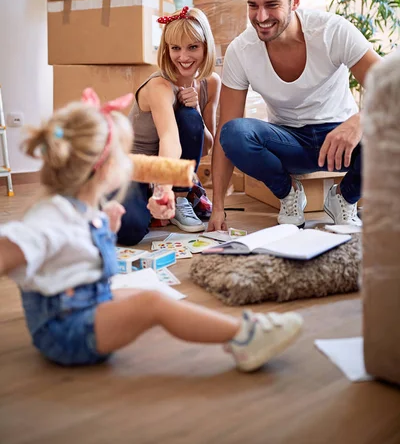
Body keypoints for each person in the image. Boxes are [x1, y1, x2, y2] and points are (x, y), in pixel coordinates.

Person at [0, 89, 303, 371]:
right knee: (152, 304)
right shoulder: (50, 219)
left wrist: (106, 224)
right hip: (67, 332)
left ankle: (232, 326)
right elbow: (17, 247)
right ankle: (244, 336)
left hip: (87, 304)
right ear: (104, 170)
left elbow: (73, 248)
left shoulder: (81, 207)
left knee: (144, 291)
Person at [208, 0, 381, 232]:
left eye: (272, 5)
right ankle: (289, 193)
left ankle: (344, 198)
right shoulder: (241, 50)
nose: (261, 17)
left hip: (340, 141)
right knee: (233, 133)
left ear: (295, 1)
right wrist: (218, 208)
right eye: (253, 5)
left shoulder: (332, 31)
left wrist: (360, 121)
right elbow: (225, 132)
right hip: (289, 142)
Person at [118, 6, 221, 246]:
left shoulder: (211, 83)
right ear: (167, 50)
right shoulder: (159, 86)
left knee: (189, 116)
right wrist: (162, 188)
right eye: (176, 48)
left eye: (193, 47)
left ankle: (181, 196)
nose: (183, 57)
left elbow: (206, 146)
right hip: (136, 165)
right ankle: (148, 194)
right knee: (129, 231)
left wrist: (195, 109)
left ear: (206, 46)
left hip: (164, 169)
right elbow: (169, 139)